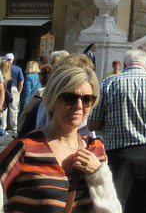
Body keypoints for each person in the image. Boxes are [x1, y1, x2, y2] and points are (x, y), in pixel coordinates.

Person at [0, 63, 120, 213]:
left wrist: (98, 175)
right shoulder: (25, 147)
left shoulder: (95, 149)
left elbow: (112, 209)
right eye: (70, 97)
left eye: (87, 99)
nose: (79, 105)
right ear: (53, 99)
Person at [88, 47, 146, 212]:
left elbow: (93, 124)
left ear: (124, 65)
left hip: (118, 155)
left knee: (118, 204)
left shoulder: (108, 83)